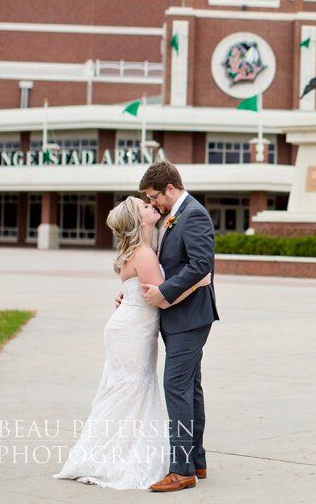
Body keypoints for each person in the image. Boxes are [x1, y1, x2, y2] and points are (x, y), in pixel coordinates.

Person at [53, 196, 171, 489]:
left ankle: (107, 454)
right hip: (132, 332)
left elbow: (137, 291)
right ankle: (113, 459)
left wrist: (126, 297)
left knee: (125, 391)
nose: (151, 206)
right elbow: (164, 295)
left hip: (129, 327)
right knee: (131, 391)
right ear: (138, 220)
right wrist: (199, 282)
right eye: (145, 206)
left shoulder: (141, 250)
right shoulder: (143, 253)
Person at [135, 161, 220, 492]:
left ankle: (181, 470)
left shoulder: (194, 214)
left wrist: (164, 292)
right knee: (190, 388)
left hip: (190, 318)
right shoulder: (175, 215)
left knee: (176, 388)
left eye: (154, 196)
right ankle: (196, 459)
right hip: (179, 316)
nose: (153, 202)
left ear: (169, 188)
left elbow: (201, 264)